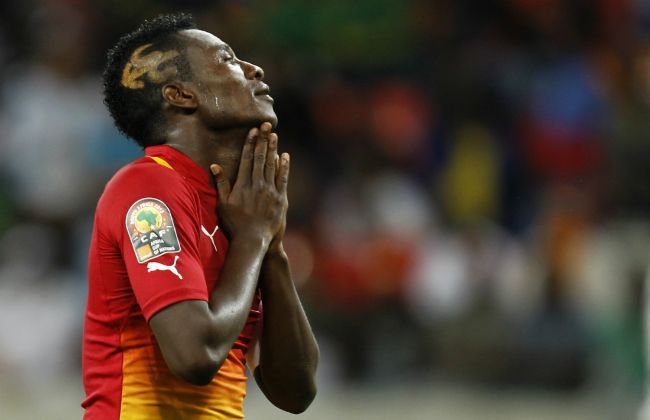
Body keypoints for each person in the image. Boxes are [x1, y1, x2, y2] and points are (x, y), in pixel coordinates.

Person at [81, 13, 319, 419]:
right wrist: (252, 240)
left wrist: (272, 247)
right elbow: (195, 356)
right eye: (227, 59)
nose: (254, 69)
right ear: (181, 95)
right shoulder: (147, 188)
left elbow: (296, 393)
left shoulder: (238, 210)